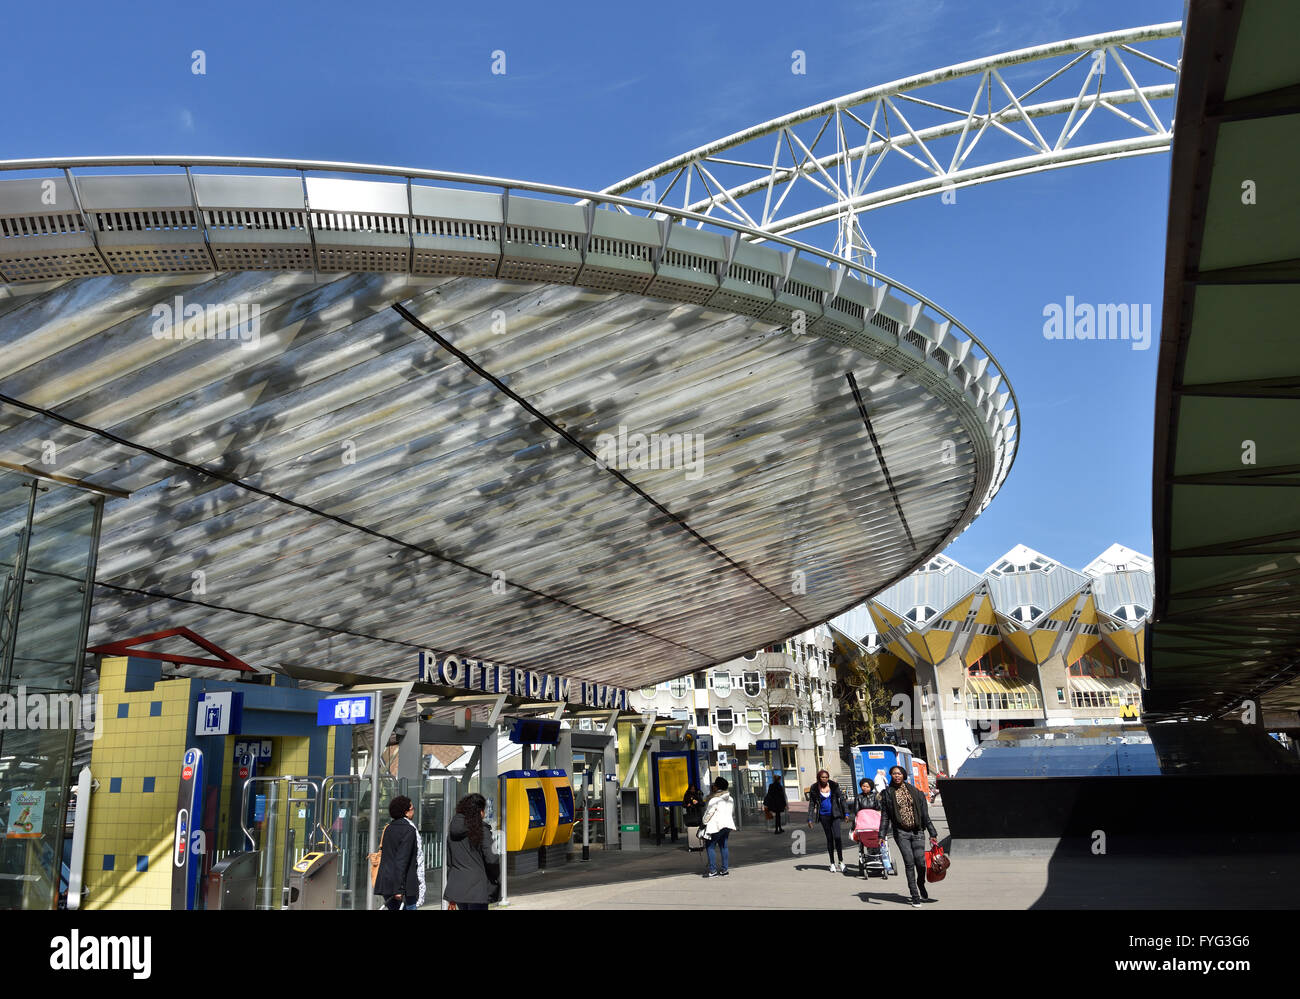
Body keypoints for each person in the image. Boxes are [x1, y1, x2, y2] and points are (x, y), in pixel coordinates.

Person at [878, 765, 940, 907]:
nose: (897, 776)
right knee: (909, 862)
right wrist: (881, 834)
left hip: (918, 831)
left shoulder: (916, 792)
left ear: (904, 775)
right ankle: (914, 895)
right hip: (901, 833)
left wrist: (932, 833)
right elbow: (885, 817)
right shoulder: (887, 793)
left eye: (899, 773)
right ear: (891, 776)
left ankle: (920, 883)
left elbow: (925, 815)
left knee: (921, 863)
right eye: (894, 774)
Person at [445, 792, 500, 910]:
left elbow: (450, 864)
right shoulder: (482, 830)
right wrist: (495, 877)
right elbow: (492, 858)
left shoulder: (452, 831)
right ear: (480, 811)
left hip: (458, 887)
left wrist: (452, 895)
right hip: (478, 888)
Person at [372, 795, 424, 910]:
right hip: (403, 887)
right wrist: (398, 889)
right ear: (406, 812)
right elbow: (402, 860)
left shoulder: (389, 828)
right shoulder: (409, 830)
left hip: (387, 883)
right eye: (412, 808)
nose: (413, 811)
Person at [806, 769, 848, 872]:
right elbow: (812, 804)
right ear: (819, 778)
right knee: (830, 839)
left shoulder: (834, 785)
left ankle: (841, 862)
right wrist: (810, 819)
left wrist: (846, 813)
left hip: (835, 815)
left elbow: (842, 799)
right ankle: (832, 863)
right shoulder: (814, 788)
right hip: (824, 816)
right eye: (822, 777)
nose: (825, 779)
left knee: (837, 837)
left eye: (826, 777)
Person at [701, 777, 737, 877]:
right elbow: (732, 812)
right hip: (727, 825)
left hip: (716, 826)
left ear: (717, 787)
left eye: (715, 785)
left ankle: (712, 870)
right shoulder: (730, 798)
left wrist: (703, 822)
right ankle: (724, 870)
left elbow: (709, 813)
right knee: (724, 846)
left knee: (710, 846)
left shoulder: (714, 799)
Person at [682, 785, 705, 853]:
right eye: (691, 789)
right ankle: (692, 845)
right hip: (690, 814)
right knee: (691, 829)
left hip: (697, 814)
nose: (692, 790)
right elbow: (683, 804)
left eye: (693, 789)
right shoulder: (687, 795)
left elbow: (702, 804)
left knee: (698, 828)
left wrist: (697, 803)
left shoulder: (698, 794)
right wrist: (687, 805)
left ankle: (699, 844)